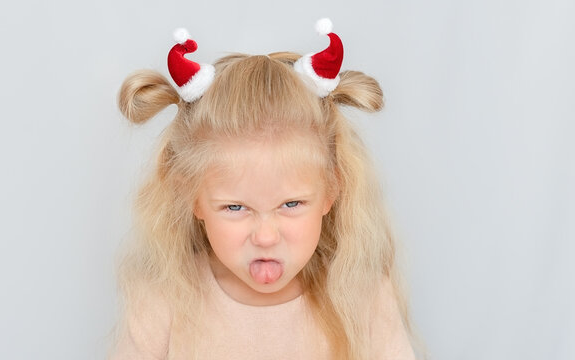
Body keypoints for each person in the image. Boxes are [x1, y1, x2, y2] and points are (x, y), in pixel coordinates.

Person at [110, 18, 417, 360]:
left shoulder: (365, 298)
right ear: (192, 196)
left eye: (291, 204)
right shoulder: (162, 298)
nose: (266, 237)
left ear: (332, 187)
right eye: (235, 208)